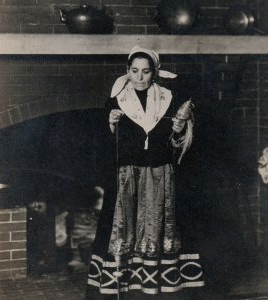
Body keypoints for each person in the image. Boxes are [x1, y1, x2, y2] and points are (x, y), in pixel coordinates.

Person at [86, 46, 205, 299]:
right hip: (126, 180)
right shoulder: (115, 101)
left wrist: (181, 128)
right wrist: (110, 123)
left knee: (159, 229)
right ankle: (123, 289)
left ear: (154, 73)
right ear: (127, 72)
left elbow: (178, 146)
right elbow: (99, 146)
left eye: (146, 72)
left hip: (160, 177)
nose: (140, 77)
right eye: (135, 71)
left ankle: (156, 290)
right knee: (123, 229)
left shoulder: (168, 99)